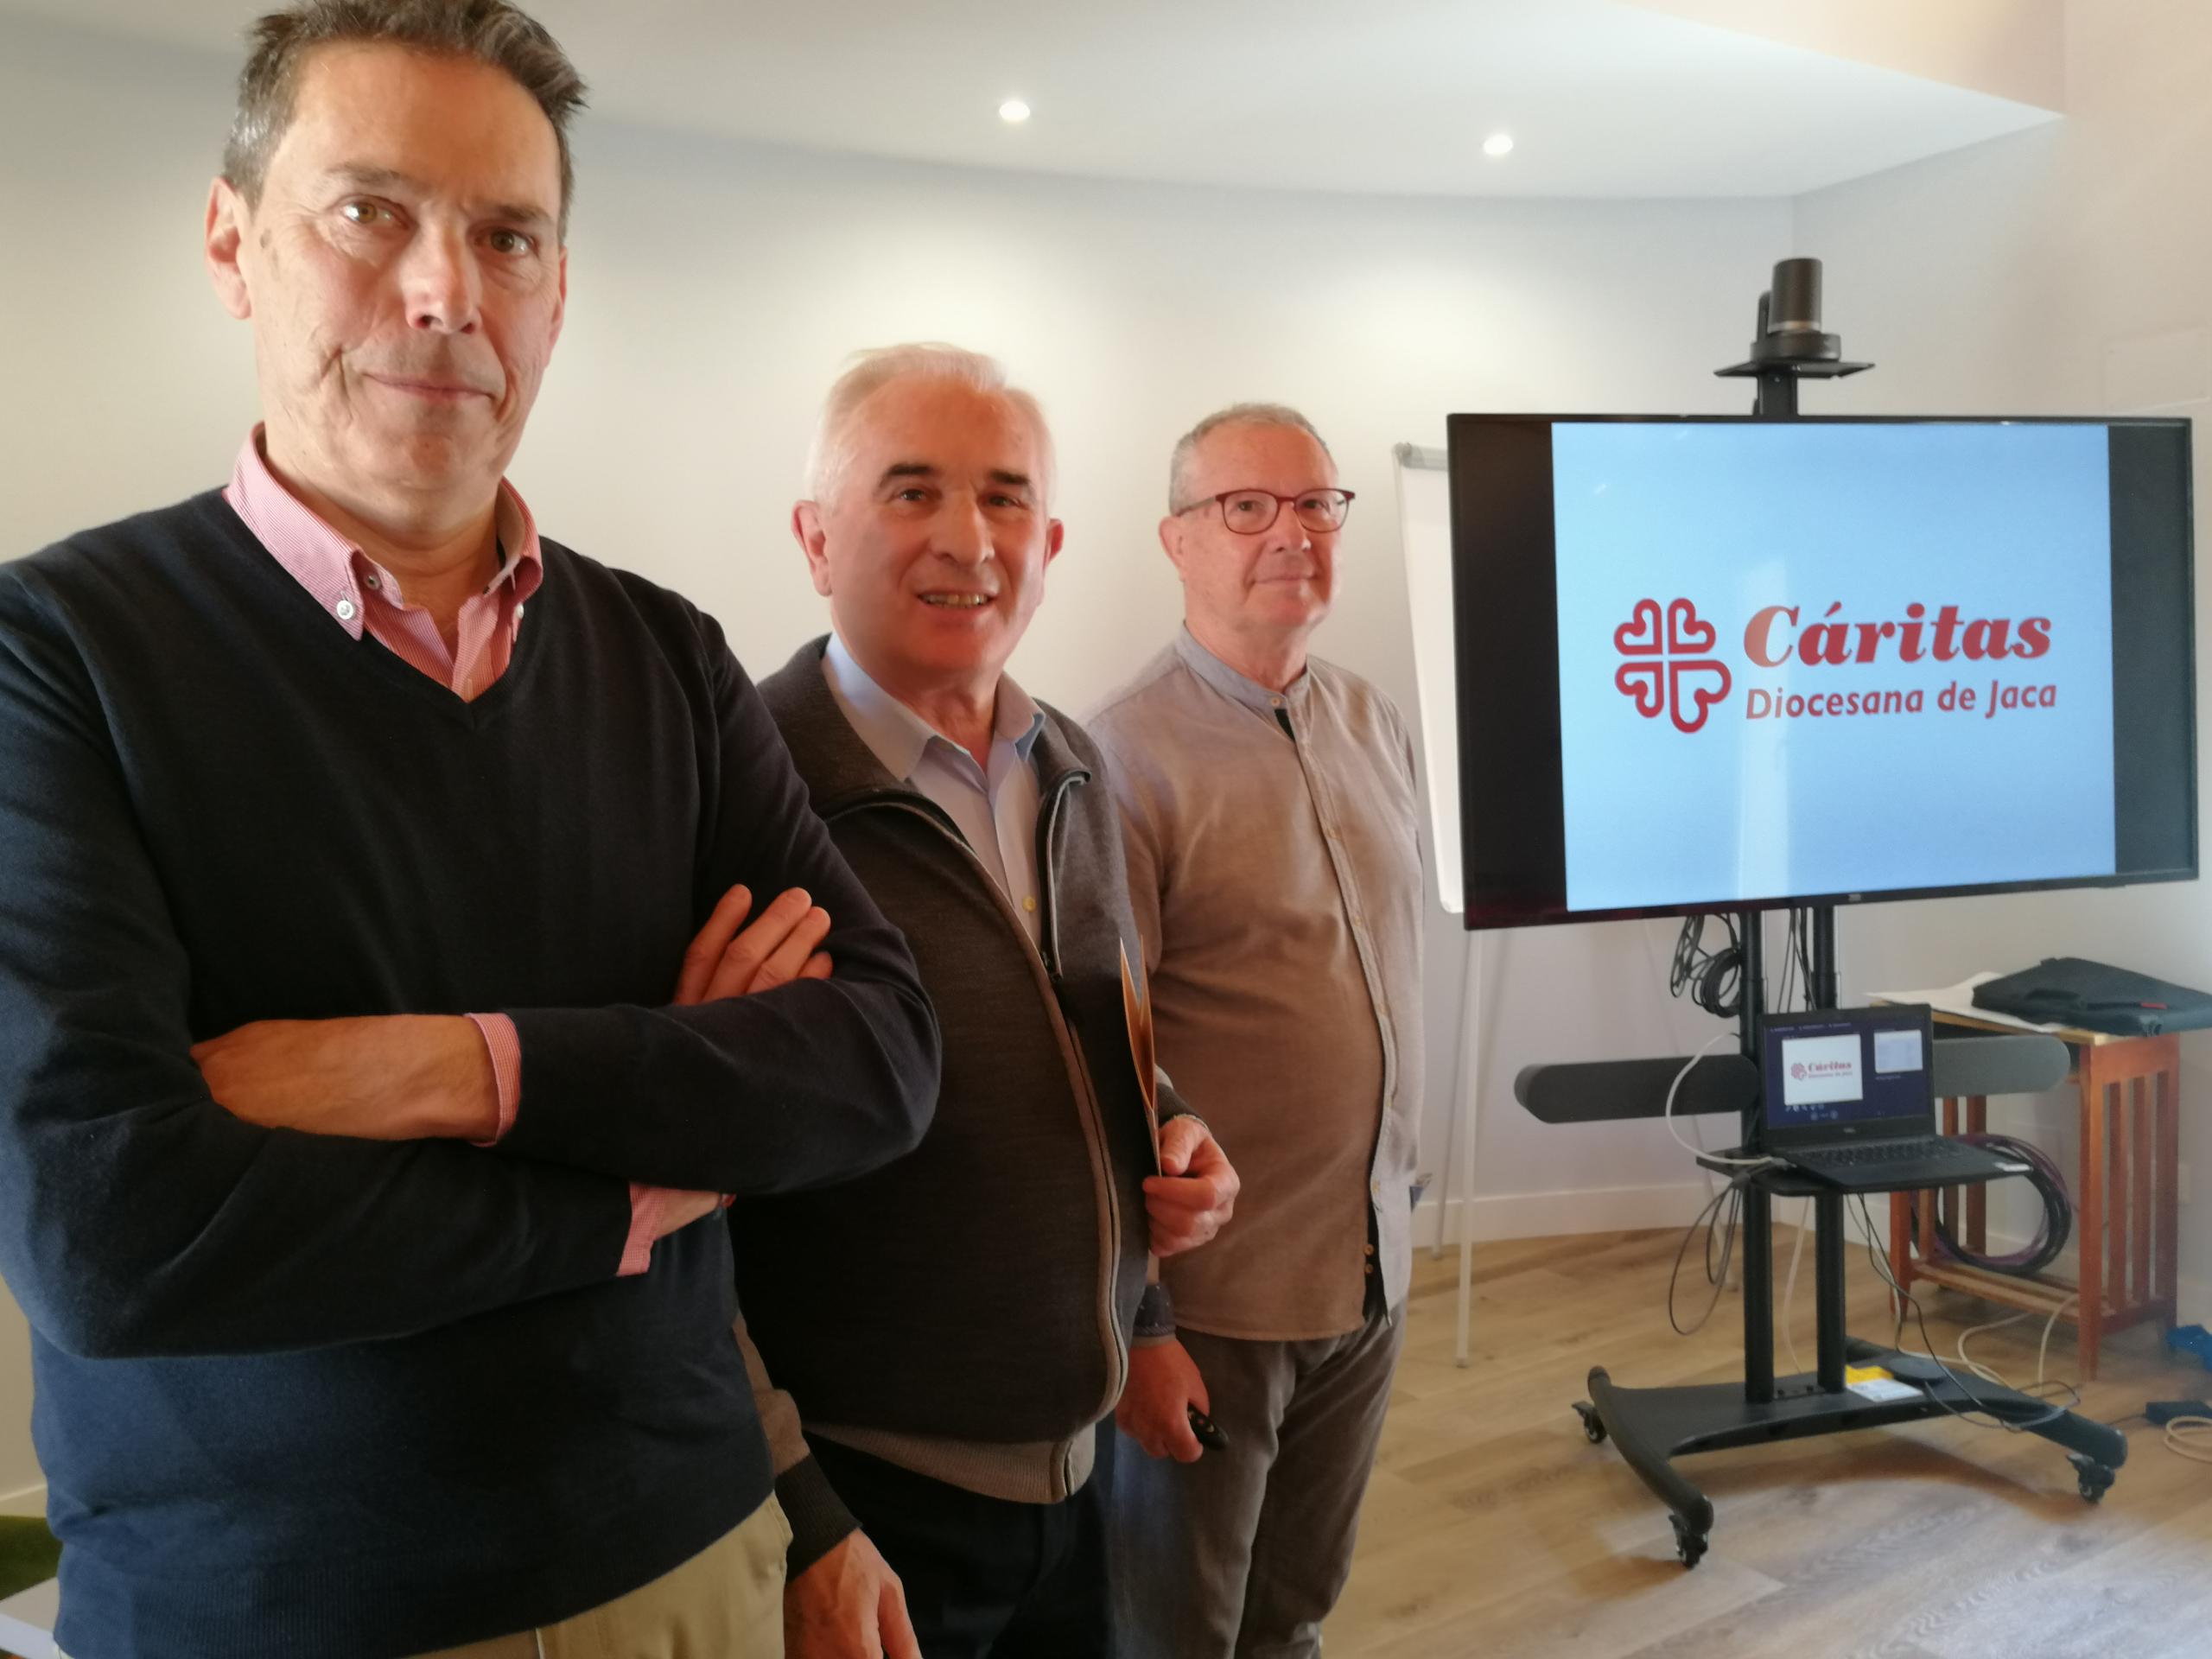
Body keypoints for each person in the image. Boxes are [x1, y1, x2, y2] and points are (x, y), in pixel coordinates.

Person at [0, 6, 938, 1656]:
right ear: (235, 244)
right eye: (370, 212)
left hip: (693, 1562)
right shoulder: (51, 655)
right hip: (286, 1613)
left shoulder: (667, 656)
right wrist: (650, 1168)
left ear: (557, 293)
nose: (445, 293)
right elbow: (116, 1235)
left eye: (508, 236)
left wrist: (440, 1069)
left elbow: (877, 1060)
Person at [738, 344, 1242, 1659]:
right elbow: (684, 1197)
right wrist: (798, 1510)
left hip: (1075, 1471)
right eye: (911, 492)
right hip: (869, 1494)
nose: (968, 537)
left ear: (1052, 538)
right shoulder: (736, 793)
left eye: (1006, 499)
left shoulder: (1068, 761)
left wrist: (1164, 1209)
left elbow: (1102, 1042)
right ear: (815, 536)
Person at [1086, 404, 1425, 1658]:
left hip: (1370, 1264)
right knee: (1178, 1628)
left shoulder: (1374, 722)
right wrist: (1144, 1327)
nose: (1292, 534)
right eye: (1247, 507)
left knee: (1295, 1610)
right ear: (1178, 540)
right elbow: (1100, 1061)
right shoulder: (1118, 756)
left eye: (1317, 504)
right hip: (1221, 1303)